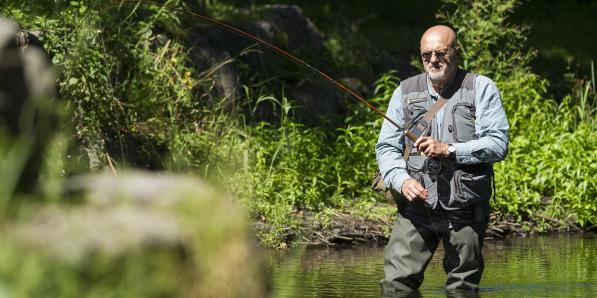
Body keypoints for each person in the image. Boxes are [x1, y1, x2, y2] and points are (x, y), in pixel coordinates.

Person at [376, 25, 509, 293]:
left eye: (441, 53)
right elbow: (386, 148)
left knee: (462, 288)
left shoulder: (480, 87)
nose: (433, 60)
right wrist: (401, 181)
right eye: (427, 55)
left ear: (457, 53)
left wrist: (449, 150)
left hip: (465, 208)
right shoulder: (404, 91)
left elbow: (498, 144)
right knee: (395, 287)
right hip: (416, 207)